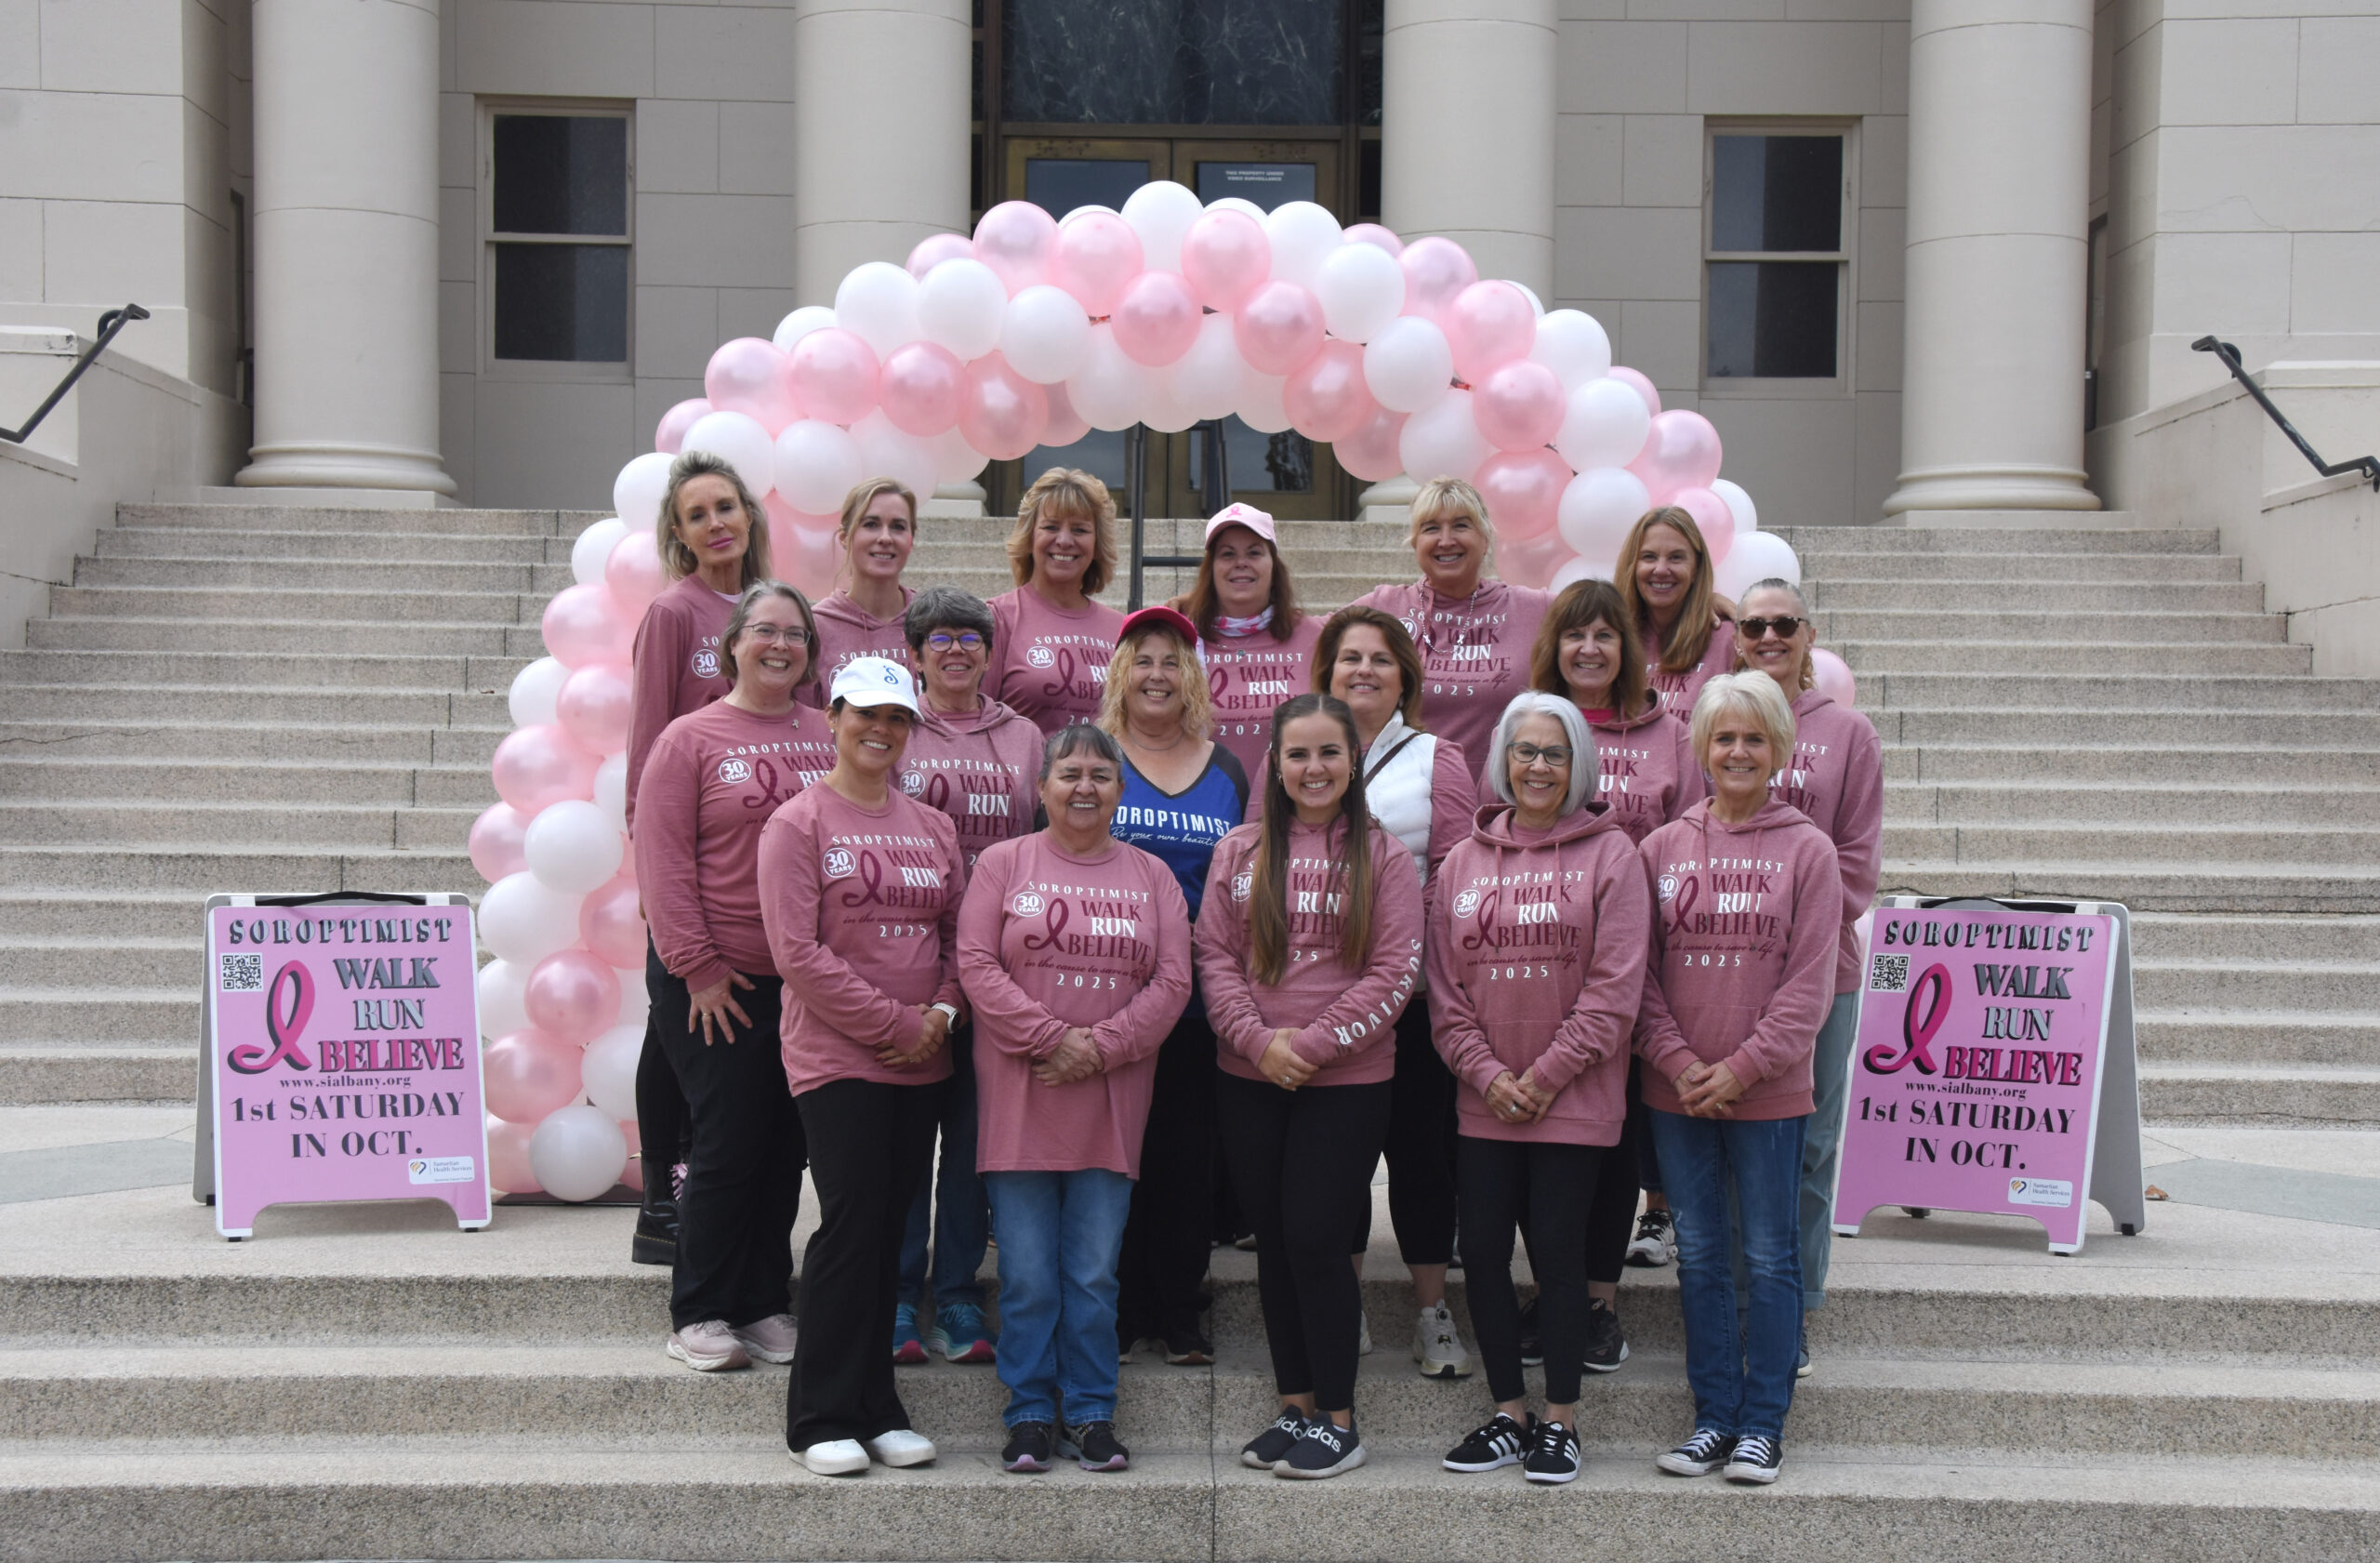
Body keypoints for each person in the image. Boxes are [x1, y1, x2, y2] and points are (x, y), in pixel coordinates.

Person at [956, 724, 1195, 1475]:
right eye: (1070, 773)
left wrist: (1101, 1047)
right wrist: (1052, 1038)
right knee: (1026, 1273)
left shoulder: (1152, 875)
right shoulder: (1002, 863)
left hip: (1111, 1103)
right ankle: (1029, 1409)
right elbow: (973, 963)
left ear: (1122, 790)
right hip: (1021, 1100)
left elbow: (1174, 983)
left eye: (1101, 774)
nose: (1084, 786)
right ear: (1043, 785)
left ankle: (1091, 1408)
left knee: (1093, 1273)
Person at [1201, 694, 1424, 1480]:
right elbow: (1215, 961)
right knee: (1272, 1243)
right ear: (1276, 762)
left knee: (1317, 1237)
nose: (1314, 768)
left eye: (1330, 752)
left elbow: (1395, 969)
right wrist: (1262, 1043)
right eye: (1298, 754)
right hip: (1250, 1075)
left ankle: (1339, 1417)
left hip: (1348, 1080)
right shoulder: (1239, 851)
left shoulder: (1386, 858)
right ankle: (1294, 1404)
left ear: (1353, 760)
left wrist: (1314, 1044)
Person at [1431, 692, 1650, 1485]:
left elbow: (1616, 991)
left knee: (1557, 1256)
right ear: (1502, 759)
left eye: (1554, 753)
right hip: (1484, 1104)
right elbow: (1445, 990)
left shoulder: (1612, 854)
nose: (1538, 766)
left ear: (1579, 763)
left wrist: (1543, 1077)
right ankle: (1507, 1413)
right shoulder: (1461, 861)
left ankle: (1560, 1419)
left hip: (1575, 1104)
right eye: (1524, 750)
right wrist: (1490, 1076)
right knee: (1484, 1255)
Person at [759, 656, 969, 1478]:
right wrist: (893, 1022)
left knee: (892, 1230)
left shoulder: (933, 827)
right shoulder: (798, 822)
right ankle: (820, 1414)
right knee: (850, 1227)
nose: (879, 731)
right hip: (838, 1057)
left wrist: (940, 1015)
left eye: (896, 719)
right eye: (865, 715)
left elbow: (957, 939)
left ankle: (878, 1406)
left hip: (923, 1055)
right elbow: (796, 953)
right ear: (834, 716)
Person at [1638, 672, 1841, 1488]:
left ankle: (1763, 1423)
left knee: (1770, 1254)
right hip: (1676, 1090)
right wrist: (1684, 1063)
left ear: (1781, 749)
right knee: (1701, 1258)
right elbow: (1638, 977)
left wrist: (1742, 1067)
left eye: (1755, 737)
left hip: (1770, 1092)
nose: (1738, 751)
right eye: (1724, 737)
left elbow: (1810, 984)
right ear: (1702, 748)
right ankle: (1713, 1417)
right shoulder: (1662, 847)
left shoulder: (1810, 851)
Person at [635, 581, 830, 1373]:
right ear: (734, 643)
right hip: (714, 979)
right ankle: (700, 1307)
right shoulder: (688, 739)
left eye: (794, 633)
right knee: (727, 1139)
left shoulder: (829, 735)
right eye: (764, 631)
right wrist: (700, 969)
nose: (779, 645)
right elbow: (663, 864)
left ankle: (759, 1300)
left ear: (812, 652)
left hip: (802, 979)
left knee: (787, 1143)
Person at [1530, 579, 1707, 1338]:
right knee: (1556, 1143)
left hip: (1639, 964)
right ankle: (1550, 1289)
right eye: (1575, 635)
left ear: (1627, 648)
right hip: (1543, 961)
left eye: (1605, 635)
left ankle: (1598, 1302)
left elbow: (1694, 834)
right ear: (1555, 647)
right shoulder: (1531, 723)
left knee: (1613, 1136)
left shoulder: (1668, 731)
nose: (1590, 649)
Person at [1308, 604, 1478, 1379]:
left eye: (1380, 659)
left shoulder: (1438, 757)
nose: (1364, 671)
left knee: (1420, 1157)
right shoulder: (1305, 746)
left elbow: (1453, 874)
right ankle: (1340, 1302)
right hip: (1319, 999)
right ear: (1327, 672)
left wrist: (1404, 968)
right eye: (1349, 659)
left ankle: (1431, 1310)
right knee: (1336, 1160)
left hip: (1409, 1003)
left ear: (1406, 675)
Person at [624, 448, 776, 1267]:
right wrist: (651, 869)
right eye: (697, 514)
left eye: (727, 507)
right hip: (686, 857)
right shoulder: (675, 615)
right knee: (673, 1024)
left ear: (749, 515)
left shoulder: (767, 612)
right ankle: (663, 1196)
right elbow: (647, 743)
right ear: (680, 536)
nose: (716, 523)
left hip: (760, 867)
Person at [887, 586, 1044, 1366]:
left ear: (990, 651)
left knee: (975, 1137)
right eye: (939, 637)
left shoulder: (1025, 739)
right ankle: (894, 1293)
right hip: (913, 962)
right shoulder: (890, 730)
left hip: (999, 964)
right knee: (908, 1139)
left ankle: (953, 1290)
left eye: (971, 637)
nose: (956, 649)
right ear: (914, 654)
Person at [1731, 579, 1884, 1377]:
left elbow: (1856, 866)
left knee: (1810, 1150)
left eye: (1782, 623)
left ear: (1808, 633)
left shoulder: (1848, 732)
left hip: (1825, 972)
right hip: (1719, 966)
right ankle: (1728, 1305)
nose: (1767, 634)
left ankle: (1795, 1313)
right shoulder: (1719, 721)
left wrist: (1791, 946)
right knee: (1731, 1146)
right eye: (1752, 623)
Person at [1098, 604, 1250, 1365]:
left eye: (1170, 661)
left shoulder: (1226, 768)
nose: (1156, 674)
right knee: (1118, 1149)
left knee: (1187, 1155)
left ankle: (1183, 1305)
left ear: (1190, 674)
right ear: (1122, 671)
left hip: (1196, 999)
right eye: (1143, 659)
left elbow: (1248, 881)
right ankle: (1124, 1305)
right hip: (1104, 992)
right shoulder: (1095, 756)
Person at [1352, 475, 1551, 775]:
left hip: (1501, 806)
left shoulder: (1534, 609)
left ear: (1485, 539)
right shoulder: (1383, 607)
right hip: (1405, 803)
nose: (1446, 540)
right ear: (1416, 542)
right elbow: (1305, 636)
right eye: (1431, 528)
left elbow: (1609, 619)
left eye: (1461, 525)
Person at [1170, 501, 1320, 778]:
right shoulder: (1181, 638)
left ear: (1274, 566)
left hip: (1290, 812)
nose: (1241, 563)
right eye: (1227, 554)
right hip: (1209, 812)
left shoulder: (1316, 635)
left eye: (1254, 552)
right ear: (1211, 569)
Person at [989, 468, 1128, 735]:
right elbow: (974, 721)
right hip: (1026, 777)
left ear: (1098, 543)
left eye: (1080, 529)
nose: (1064, 541)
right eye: (1051, 527)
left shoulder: (1122, 629)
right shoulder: (997, 618)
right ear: (1030, 536)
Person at [803, 477, 919, 706]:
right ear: (845, 538)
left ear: (910, 541)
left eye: (898, 527)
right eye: (871, 524)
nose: (885, 538)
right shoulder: (815, 627)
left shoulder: (933, 620)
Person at [1615, 506, 1735, 720]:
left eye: (1676, 558)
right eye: (1649, 557)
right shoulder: (1613, 640)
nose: (1661, 569)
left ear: (1696, 568)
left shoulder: (1727, 639)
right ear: (1632, 566)